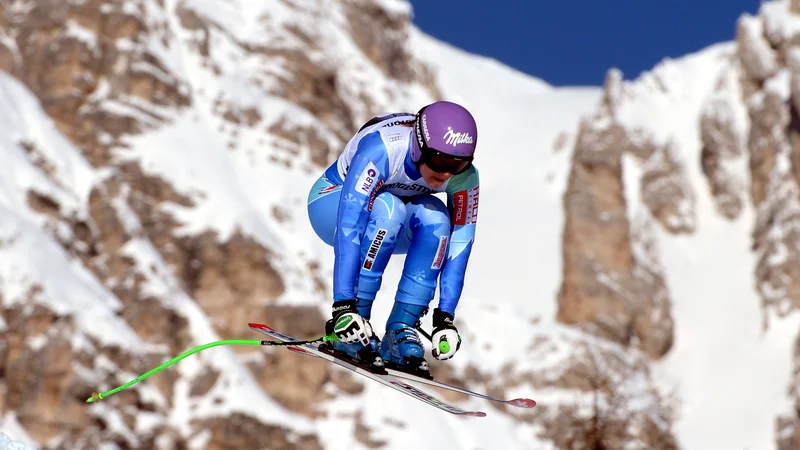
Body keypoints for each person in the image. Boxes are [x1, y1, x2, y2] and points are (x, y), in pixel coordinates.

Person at [306, 100, 480, 379]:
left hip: (388, 220)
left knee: (437, 219)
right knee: (390, 208)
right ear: (418, 146)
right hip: (331, 206)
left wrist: (444, 317)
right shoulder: (383, 150)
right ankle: (354, 324)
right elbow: (351, 225)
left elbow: (461, 244)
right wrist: (343, 307)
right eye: (439, 161)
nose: (446, 173)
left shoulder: (465, 178)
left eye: (458, 164)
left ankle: (400, 331)